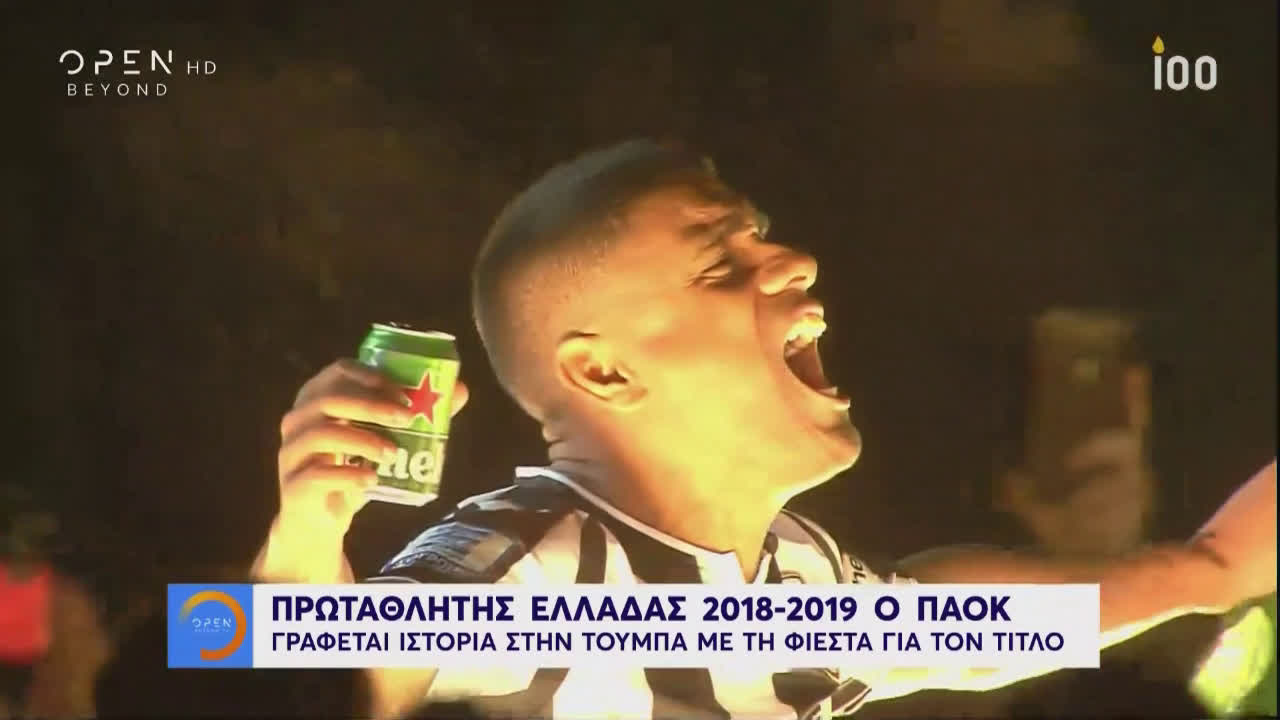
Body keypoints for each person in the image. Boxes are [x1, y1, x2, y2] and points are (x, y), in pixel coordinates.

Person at [251, 140, 1277, 719]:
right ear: (602, 371)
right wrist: (307, 532)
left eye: (761, 237)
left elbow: (957, 637)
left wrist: (1208, 570)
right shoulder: (530, 563)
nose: (793, 262)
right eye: (719, 264)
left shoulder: (803, 585)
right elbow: (304, 678)